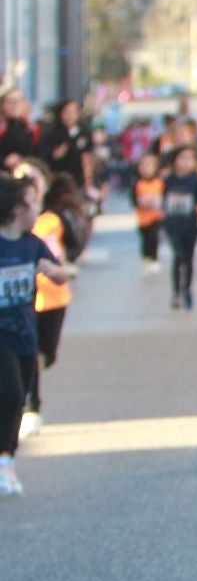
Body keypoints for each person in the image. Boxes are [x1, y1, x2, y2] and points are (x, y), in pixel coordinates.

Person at [0, 173, 71, 495]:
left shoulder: (33, 243)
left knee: (17, 400)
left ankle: (7, 460)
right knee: (12, 393)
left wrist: (54, 272)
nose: (36, 211)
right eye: (30, 204)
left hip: (25, 332)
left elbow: (59, 273)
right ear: (15, 210)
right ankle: (4, 459)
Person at [26, 172, 87, 437]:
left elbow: (74, 244)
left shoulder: (53, 219)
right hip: (24, 304)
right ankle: (31, 406)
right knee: (29, 356)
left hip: (54, 297)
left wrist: (62, 266)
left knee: (46, 355)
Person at [162, 144, 197, 310]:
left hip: (190, 224)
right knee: (178, 256)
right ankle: (176, 291)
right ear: (175, 160)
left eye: (190, 159)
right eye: (182, 158)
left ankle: (187, 290)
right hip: (172, 224)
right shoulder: (168, 180)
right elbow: (160, 198)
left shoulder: (196, 181)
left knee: (189, 258)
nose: (185, 162)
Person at [36, 99, 88, 186]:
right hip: (58, 178)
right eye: (67, 112)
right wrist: (54, 154)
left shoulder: (84, 132)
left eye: (73, 112)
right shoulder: (52, 133)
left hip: (78, 179)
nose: (70, 116)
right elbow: (42, 153)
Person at [133, 152, 164, 273]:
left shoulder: (159, 183)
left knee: (154, 237)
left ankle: (154, 258)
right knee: (145, 239)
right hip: (143, 218)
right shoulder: (138, 184)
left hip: (156, 216)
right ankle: (146, 257)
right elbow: (134, 200)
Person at [0, 89, 36, 165]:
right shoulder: (2, 127)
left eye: (19, 100)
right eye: (11, 101)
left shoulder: (32, 128)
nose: (15, 104)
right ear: (3, 105)